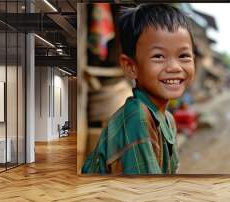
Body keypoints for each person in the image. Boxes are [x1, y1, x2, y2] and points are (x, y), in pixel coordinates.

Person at [82, 4, 195, 174]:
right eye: (158, 56)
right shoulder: (137, 118)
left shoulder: (168, 119)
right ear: (131, 66)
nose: (174, 67)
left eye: (183, 56)